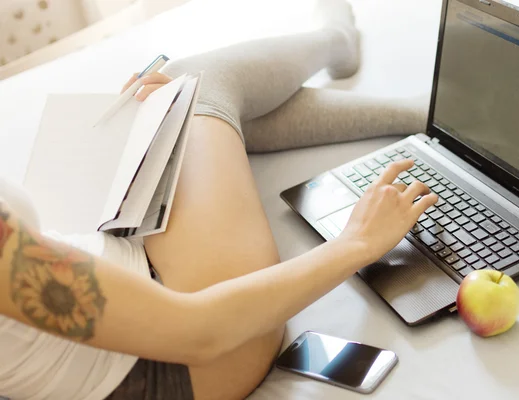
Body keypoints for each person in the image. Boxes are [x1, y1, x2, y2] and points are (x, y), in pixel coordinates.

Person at [0, 0, 436, 399]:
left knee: (171, 104)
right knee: (196, 89)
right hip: (186, 360)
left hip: (133, 314)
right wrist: (356, 243)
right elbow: (200, 333)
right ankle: (344, 49)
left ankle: (363, 67)